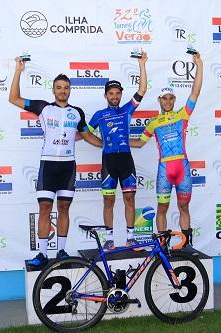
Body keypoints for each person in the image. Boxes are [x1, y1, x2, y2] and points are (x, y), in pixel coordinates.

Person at [9, 57, 102, 267]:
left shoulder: (77, 112)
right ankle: (42, 254)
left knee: (64, 209)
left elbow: (87, 136)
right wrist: (18, 70)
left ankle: (61, 251)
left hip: (68, 167)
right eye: (59, 88)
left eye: (66, 88)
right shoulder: (43, 108)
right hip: (48, 166)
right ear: (53, 91)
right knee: (44, 208)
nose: (62, 91)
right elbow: (13, 98)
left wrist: (108, 145)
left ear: (70, 91)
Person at [130, 52, 204, 250]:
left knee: (183, 207)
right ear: (159, 100)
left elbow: (195, 93)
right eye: (165, 98)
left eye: (171, 98)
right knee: (162, 208)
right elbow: (138, 143)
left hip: (182, 168)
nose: (168, 101)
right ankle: (162, 245)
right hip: (165, 170)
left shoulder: (182, 115)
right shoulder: (153, 123)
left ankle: (186, 245)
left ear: (174, 99)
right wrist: (120, 141)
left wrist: (199, 64)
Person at [88, 52, 148, 250]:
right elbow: (85, 134)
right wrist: (101, 143)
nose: (114, 96)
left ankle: (131, 237)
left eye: (117, 93)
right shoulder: (99, 115)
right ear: (105, 95)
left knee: (129, 198)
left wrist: (142, 64)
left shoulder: (126, 111)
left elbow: (142, 90)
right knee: (109, 201)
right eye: (111, 93)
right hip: (108, 161)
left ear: (121, 95)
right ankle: (109, 238)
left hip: (126, 160)